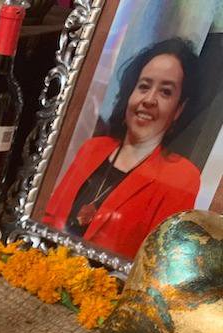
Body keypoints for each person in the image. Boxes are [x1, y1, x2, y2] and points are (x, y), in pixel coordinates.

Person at [42, 38, 202, 260]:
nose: (149, 99)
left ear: (178, 109)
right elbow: (48, 219)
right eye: (143, 86)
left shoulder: (181, 177)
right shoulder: (93, 148)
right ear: (130, 93)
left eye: (165, 92)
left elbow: (153, 265)